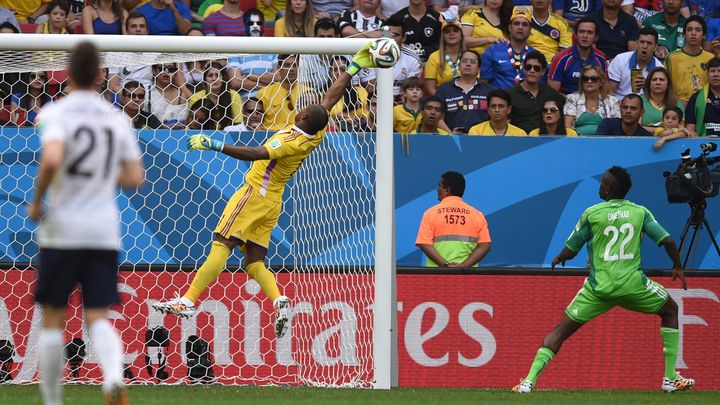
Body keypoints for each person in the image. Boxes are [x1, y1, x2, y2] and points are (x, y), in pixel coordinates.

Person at [151, 40, 391, 338]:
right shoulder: (315, 131)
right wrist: (354, 67)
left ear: (303, 116)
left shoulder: (290, 140)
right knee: (254, 262)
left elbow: (257, 153)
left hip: (253, 195)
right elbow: (331, 97)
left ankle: (188, 300)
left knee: (221, 243)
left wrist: (214, 144)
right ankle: (279, 300)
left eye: (306, 108)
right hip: (273, 202)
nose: (305, 107)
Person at [28, 40, 144, 405]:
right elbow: (134, 177)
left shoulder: (53, 113)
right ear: (100, 75)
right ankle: (112, 378)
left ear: (66, 74)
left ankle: (52, 400)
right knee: (97, 315)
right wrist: (101, 174)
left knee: (53, 320)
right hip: (103, 230)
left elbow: (52, 160)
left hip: (62, 228)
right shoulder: (117, 118)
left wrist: (36, 202)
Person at [512, 166, 694, 394]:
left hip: (598, 289)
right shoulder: (640, 212)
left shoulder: (593, 213)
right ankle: (669, 378)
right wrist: (677, 266)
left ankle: (528, 381)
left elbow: (572, 247)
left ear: (607, 189)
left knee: (560, 331)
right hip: (633, 286)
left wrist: (560, 258)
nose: (600, 186)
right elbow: (667, 240)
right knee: (670, 310)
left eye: (602, 183)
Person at [415, 171, 491, 267]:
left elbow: (424, 244)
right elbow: (484, 246)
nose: (437, 189)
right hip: (467, 276)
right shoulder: (477, 215)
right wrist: (462, 267)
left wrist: (446, 266)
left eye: (440, 186)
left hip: (436, 275)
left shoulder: (430, 213)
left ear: (447, 190)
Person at [435, 49, 494, 133]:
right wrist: (450, 134)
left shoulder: (489, 90)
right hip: (452, 140)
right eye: (464, 61)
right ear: (459, 66)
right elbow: (437, 117)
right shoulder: (443, 89)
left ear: (479, 69)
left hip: (483, 139)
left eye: (473, 62)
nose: (468, 64)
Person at [548, 17, 608, 95]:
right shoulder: (560, 58)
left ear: (596, 37)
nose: (585, 36)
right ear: (575, 35)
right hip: (565, 102)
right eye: (581, 32)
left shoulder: (601, 58)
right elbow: (552, 93)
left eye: (590, 32)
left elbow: (604, 87)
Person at [507, 50, 563, 133]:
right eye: (528, 67)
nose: (532, 71)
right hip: (519, 140)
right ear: (524, 69)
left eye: (536, 68)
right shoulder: (510, 94)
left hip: (544, 140)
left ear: (543, 72)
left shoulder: (550, 93)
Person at [481, 9, 536, 90]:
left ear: (530, 30)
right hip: (499, 99)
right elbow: (484, 83)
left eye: (524, 24)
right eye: (516, 24)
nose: (520, 27)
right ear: (510, 27)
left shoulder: (535, 55)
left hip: (526, 100)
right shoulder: (493, 51)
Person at [666, 16, 715, 103]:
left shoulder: (711, 58)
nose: (693, 33)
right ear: (684, 35)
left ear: (704, 35)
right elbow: (667, 86)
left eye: (698, 30)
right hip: (679, 107)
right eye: (689, 30)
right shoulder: (672, 58)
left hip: (704, 106)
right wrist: (679, 104)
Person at [564, 64, 620, 135]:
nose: (589, 81)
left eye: (594, 78)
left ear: (601, 82)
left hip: (604, 143)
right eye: (585, 78)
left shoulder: (612, 101)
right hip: (578, 142)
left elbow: (616, 128)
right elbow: (568, 127)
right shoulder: (572, 98)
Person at [607, 27, 662, 99]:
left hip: (645, 105)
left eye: (649, 43)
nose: (645, 46)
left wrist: (648, 86)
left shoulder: (659, 69)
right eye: (642, 42)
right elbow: (609, 91)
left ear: (655, 47)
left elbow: (659, 97)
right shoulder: (620, 60)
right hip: (618, 102)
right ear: (636, 43)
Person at [188, 62, 243, 130]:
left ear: (223, 78)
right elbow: (192, 123)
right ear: (205, 79)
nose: (214, 79)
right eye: (210, 76)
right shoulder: (196, 97)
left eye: (217, 75)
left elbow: (238, 122)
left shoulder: (233, 95)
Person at [424, 17, 465, 96]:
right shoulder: (434, 57)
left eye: (455, 31)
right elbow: (430, 88)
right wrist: (444, 101)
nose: (451, 33)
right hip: (443, 101)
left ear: (461, 34)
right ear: (443, 36)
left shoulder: (469, 55)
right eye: (447, 32)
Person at [147, 63, 191, 127]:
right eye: (161, 68)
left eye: (171, 69)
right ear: (154, 70)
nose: (167, 71)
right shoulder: (147, 93)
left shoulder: (182, 95)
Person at [686, 56, 720, 137]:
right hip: (703, 145)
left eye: (719, 71)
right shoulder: (696, 98)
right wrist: (701, 140)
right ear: (707, 74)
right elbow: (690, 129)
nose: (716, 74)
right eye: (712, 71)